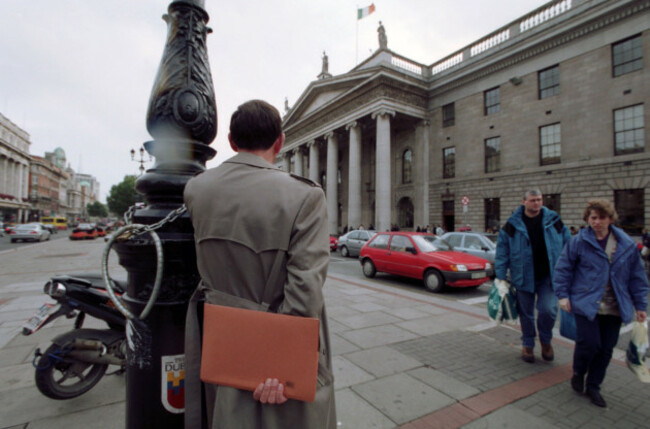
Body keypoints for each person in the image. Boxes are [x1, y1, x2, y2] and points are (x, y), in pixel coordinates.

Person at [183, 100, 336, 429]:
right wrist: (284, 366)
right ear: (279, 142)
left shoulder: (196, 188)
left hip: (217, 338)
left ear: (232, 142)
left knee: (223, 415)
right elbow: (305, 291)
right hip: (274, 342)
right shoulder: (305, 196)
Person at [554, 199, 648, 408]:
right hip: (586, 302)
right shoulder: (579, 241)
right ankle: (579, 371)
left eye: (601, 217)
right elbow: (563, 268)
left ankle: (594, 385)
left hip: (614, 306)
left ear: (610, 219)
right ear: (587, 219)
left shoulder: (626, 245)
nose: (597, 222)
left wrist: (641, 306)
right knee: (589, 343)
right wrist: (562, 295)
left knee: (606, 349)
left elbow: (637, 277)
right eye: (593, 218)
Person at [495, 189, 571, 363]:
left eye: (539, 199)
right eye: (532, 200)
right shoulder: (512, 224)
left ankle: (545, 341)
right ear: (524, 202)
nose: (536, 203)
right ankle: (528, 344)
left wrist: (572, 269)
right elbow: (502, 252)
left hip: (548, 277)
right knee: (526, 314)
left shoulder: (554, 220)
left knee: (548, 310)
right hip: (523, 277)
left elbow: (569, 245)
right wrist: (500, 278)